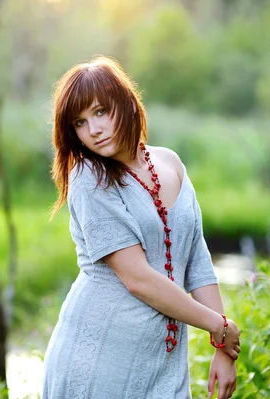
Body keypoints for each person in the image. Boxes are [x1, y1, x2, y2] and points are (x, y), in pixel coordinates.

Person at [42, 56, 241, 399]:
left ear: (129, 104)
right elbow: (136, 277)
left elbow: (197, 260)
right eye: (80, 122)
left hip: (164, 364)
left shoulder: (170, 162)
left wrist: (222, 347)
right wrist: (217, 325)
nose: (94, 129)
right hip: (97, 360)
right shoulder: (88, 178)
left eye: (101, 111)